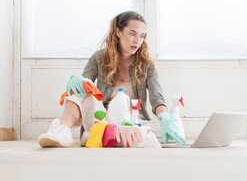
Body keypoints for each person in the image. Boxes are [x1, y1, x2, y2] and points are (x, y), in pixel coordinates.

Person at [38, 11, 186, 148]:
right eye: (132, 33)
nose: (137, 41)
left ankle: (100, 137)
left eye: (142, 36)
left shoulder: (147, 65)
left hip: (134, 121)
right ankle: (62, 130)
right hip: (102, 119)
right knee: (83, 86)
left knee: (174, 130)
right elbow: (82, 91)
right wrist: (78, 81)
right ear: (118, 32)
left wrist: (165, 117)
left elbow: (157, 99)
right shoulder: (99, 58)